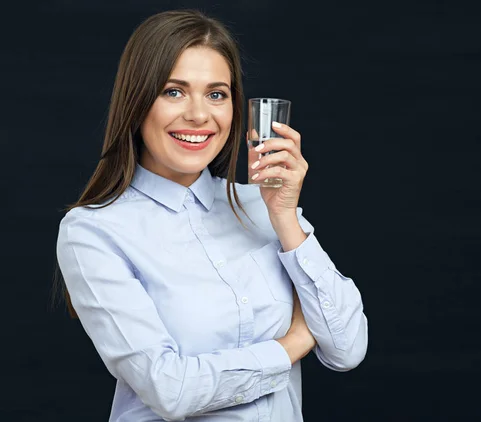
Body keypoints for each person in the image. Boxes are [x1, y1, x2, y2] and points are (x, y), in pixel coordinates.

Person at [54, 8, 368, 422]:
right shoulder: (94, 231)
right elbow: (171, 389)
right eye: (174, 91)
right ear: (137, 102)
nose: (199, 115)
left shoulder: (265, 209)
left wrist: (286, 219)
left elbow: (347, 348)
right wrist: (291, 343)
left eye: (216, 94)